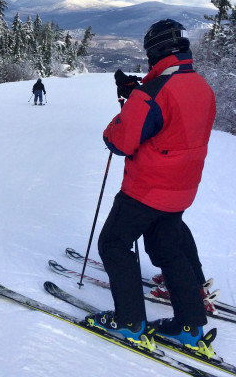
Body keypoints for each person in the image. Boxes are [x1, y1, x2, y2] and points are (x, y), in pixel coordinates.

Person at [85, 19, 217, 355]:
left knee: (114, 244)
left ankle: (130, 322)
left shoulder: (152, 93)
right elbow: (170, 113)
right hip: (182, 190)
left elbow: (120, 141)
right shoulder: (200, 85)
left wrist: (131, 104)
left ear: (155, 52)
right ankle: (190, 327)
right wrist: (136, 92)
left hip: (146, 190)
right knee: (169, 250)